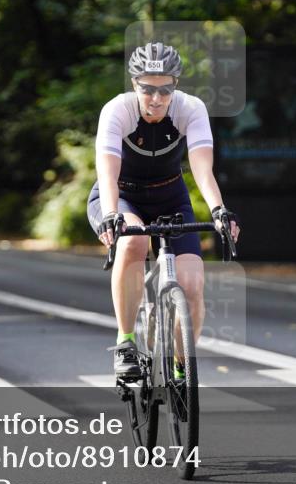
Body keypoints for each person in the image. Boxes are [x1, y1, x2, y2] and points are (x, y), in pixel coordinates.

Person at [87, 42, 240, 379]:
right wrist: (112, 215)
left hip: (170, 198)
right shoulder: (118, 111)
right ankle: (126, 341)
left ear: (176, 85)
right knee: (133, 243)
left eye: (165, 89)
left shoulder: (190, 109)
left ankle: (181, 369)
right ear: (134, 85)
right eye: (147, 89)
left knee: (191, 283)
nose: (156, 98)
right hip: (120, 197)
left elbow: (202, 169)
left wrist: (219, 210)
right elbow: (107, 172)